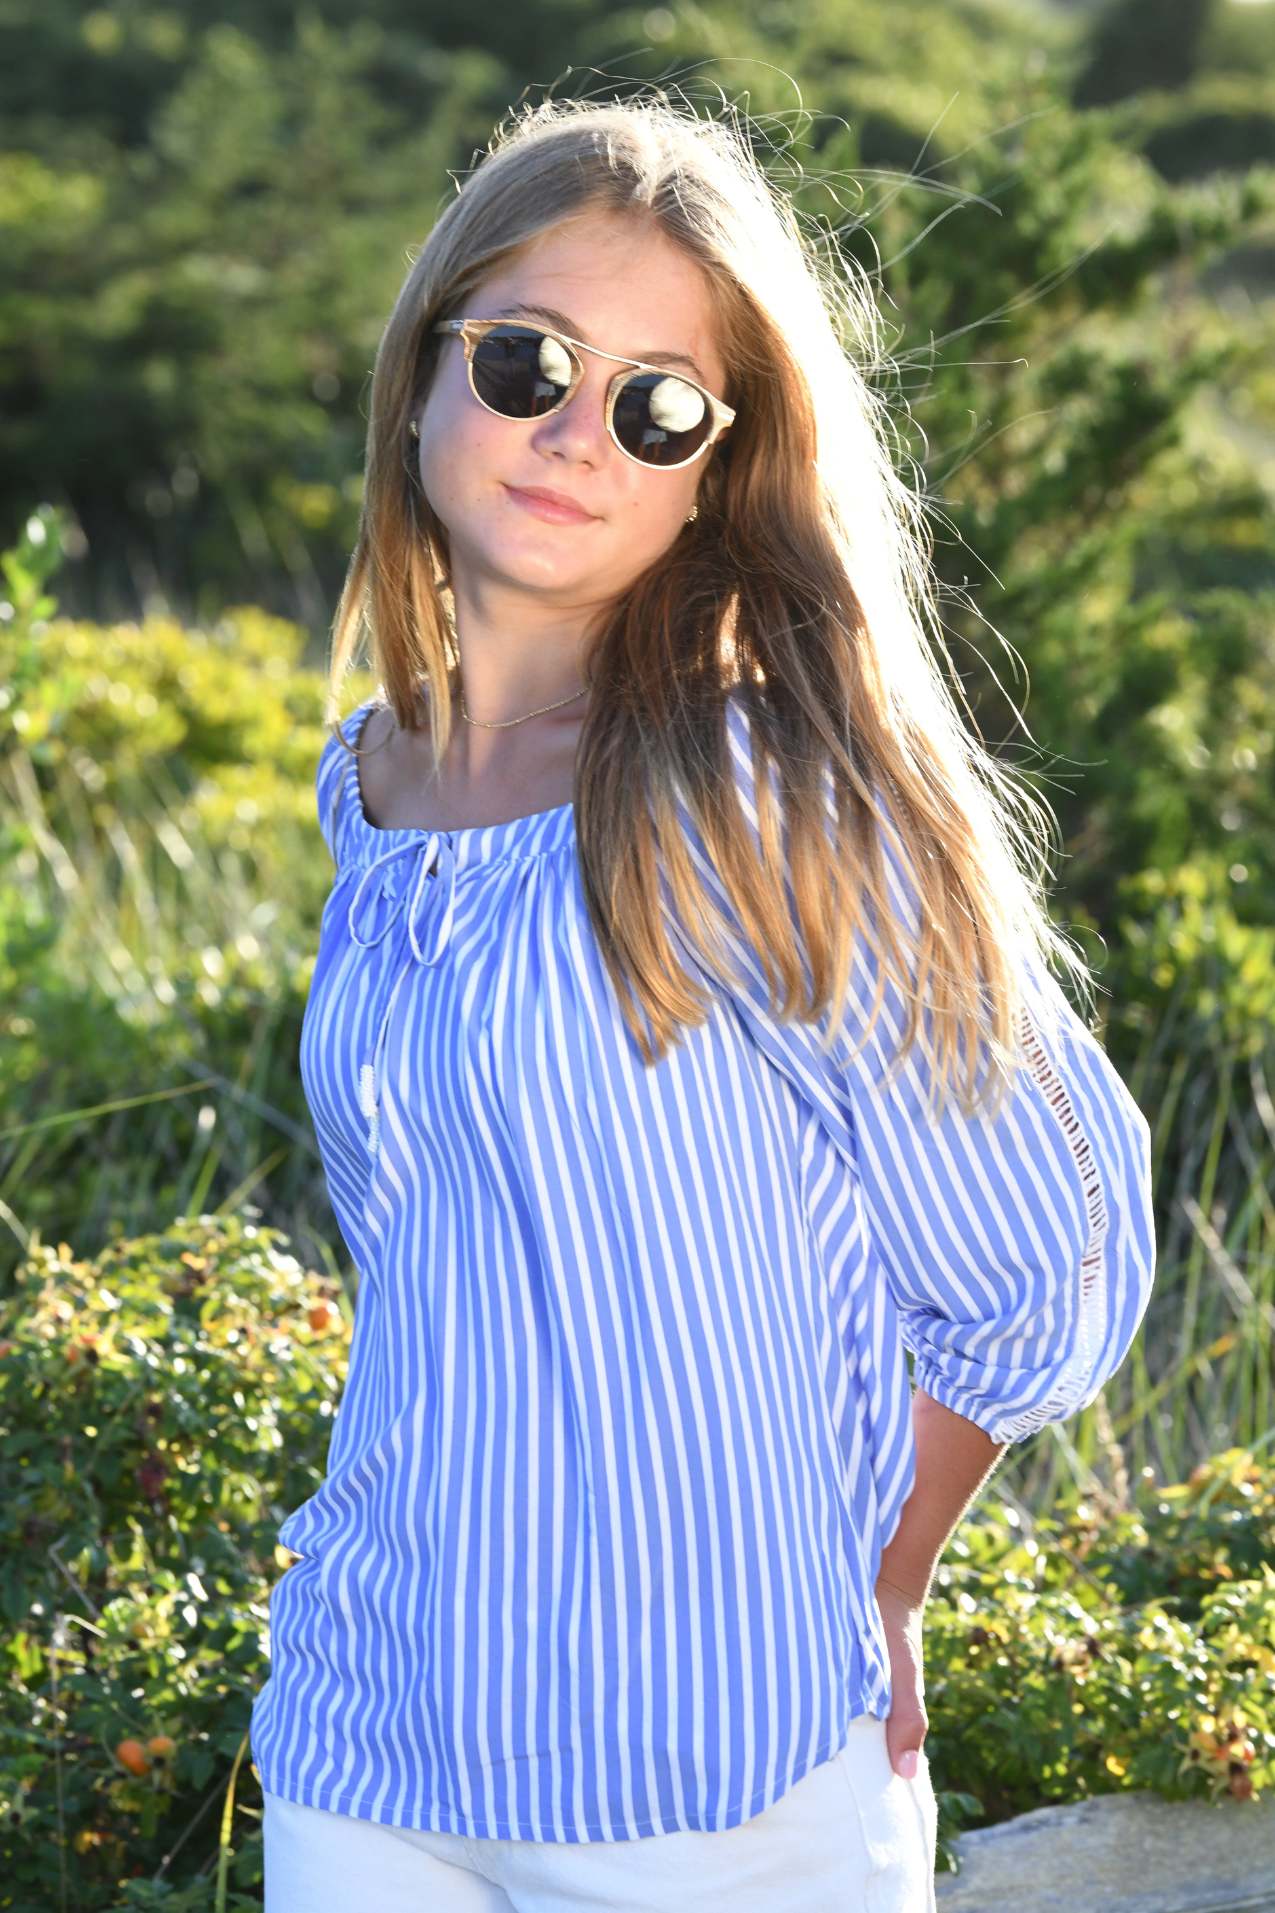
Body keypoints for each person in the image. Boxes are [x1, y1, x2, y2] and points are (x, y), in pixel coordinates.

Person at [248, 90, 1157, 1912]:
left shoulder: (769, 794)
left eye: (656, 404)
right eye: (528, 361)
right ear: (425, 372)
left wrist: (883, 1576)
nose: (575, 433)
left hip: (721, 1785)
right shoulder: (374, 784)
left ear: (714, 471)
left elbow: (1058, 1242)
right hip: (371, 1742)